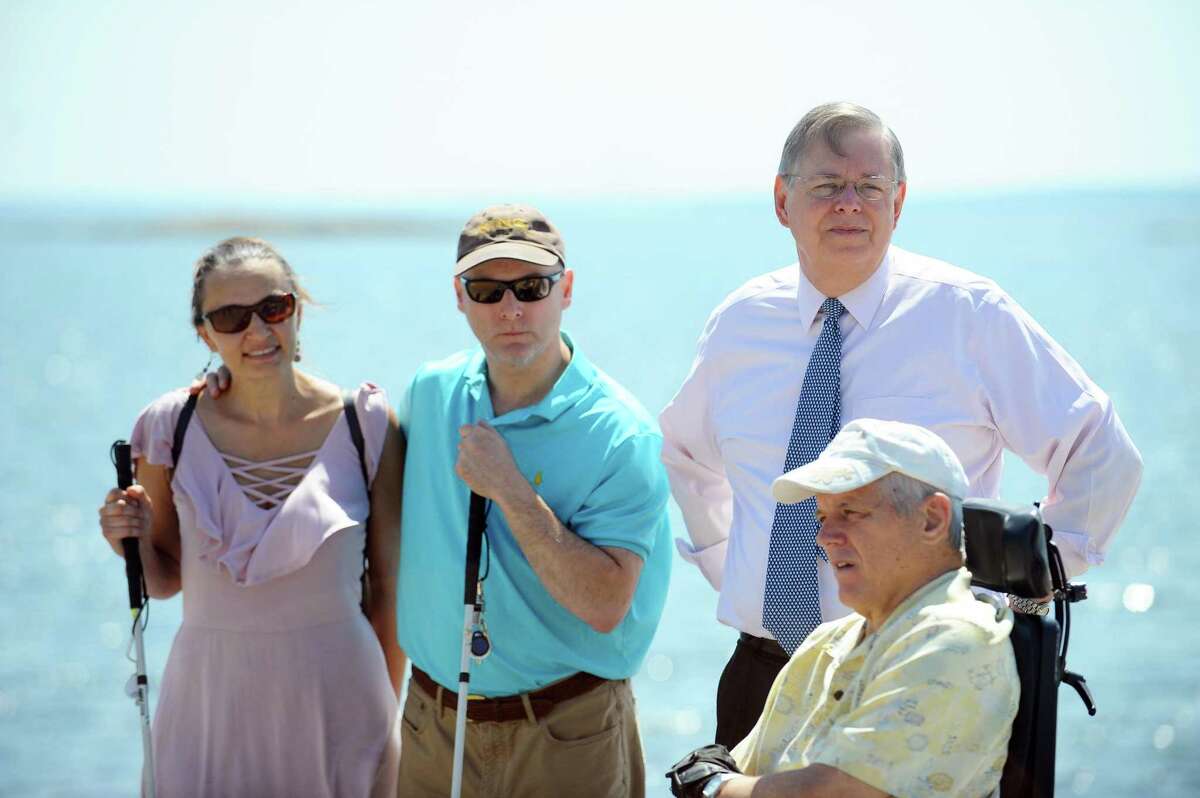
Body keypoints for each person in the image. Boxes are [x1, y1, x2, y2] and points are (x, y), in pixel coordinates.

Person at [658, 101, 1143, 748]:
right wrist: (738, 569)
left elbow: (1102, 453)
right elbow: (686, 454)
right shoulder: (740, 323)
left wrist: (1024, 580)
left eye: (870, 186)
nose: (849, 203)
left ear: (899, 201)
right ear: (782, 200)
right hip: (765, 679)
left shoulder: (968, 315)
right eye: (827, 185)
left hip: (918, 676)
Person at [97, 237, 404, 797]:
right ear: (205, 334)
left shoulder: (367, 423)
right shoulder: (169, 427)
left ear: (297, 309)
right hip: (208, 705)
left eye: (273, 308)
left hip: (341, 703)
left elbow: (389, 591)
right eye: (231, 318)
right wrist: (126, 540)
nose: (258, 331)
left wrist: (383, 710)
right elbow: (163, 579)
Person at [394, 204, 672, 797]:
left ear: (564, 289)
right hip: (433, 728)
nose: (510, 309)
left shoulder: (622, 434)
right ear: (460, 297)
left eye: (531, 287)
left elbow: (604, 605)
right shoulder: (429, 391)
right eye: (487, 291)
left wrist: (511, 489)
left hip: (565, 733)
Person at [670, 419, 1019, 798]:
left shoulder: (954, 640)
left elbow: (834, 793)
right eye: (822, 516)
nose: (824, 536)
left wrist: (713, 786)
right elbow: (746, 765)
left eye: (850, 512)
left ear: (932, 519)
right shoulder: (829, 640)